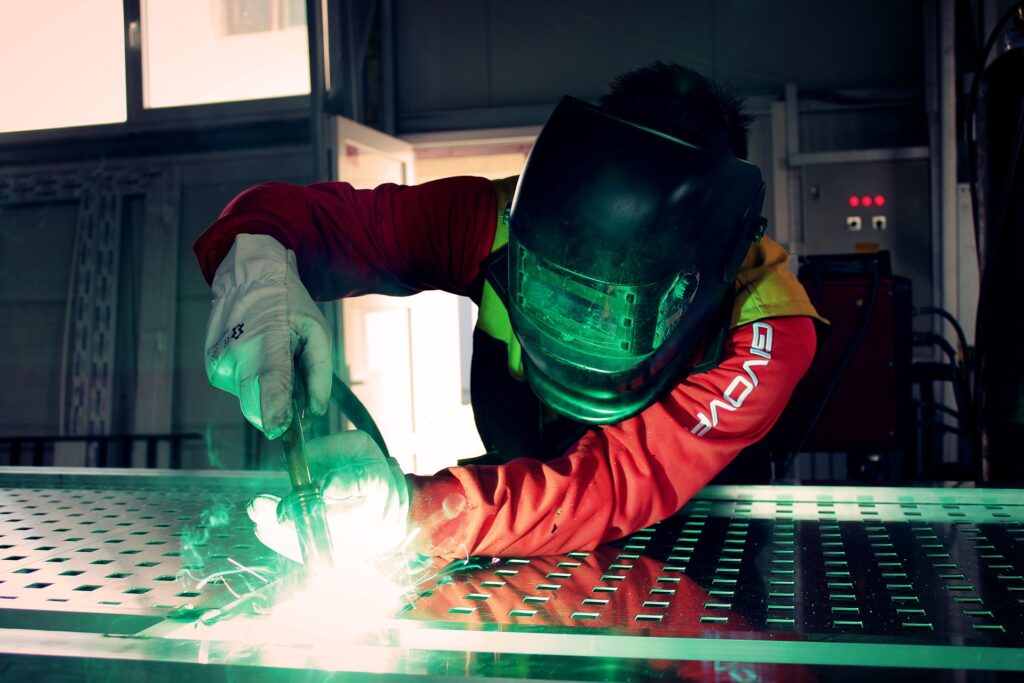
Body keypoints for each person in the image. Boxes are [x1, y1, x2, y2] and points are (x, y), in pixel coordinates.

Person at [195, 62, 822, 560]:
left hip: (690, 553)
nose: (591, 320)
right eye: (569, 282)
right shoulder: (499, 222)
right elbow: (325, 220)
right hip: (508, 521)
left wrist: (418, 511)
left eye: (621, 302)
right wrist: (257, 264)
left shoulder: (767, 326)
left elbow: (615, 481)